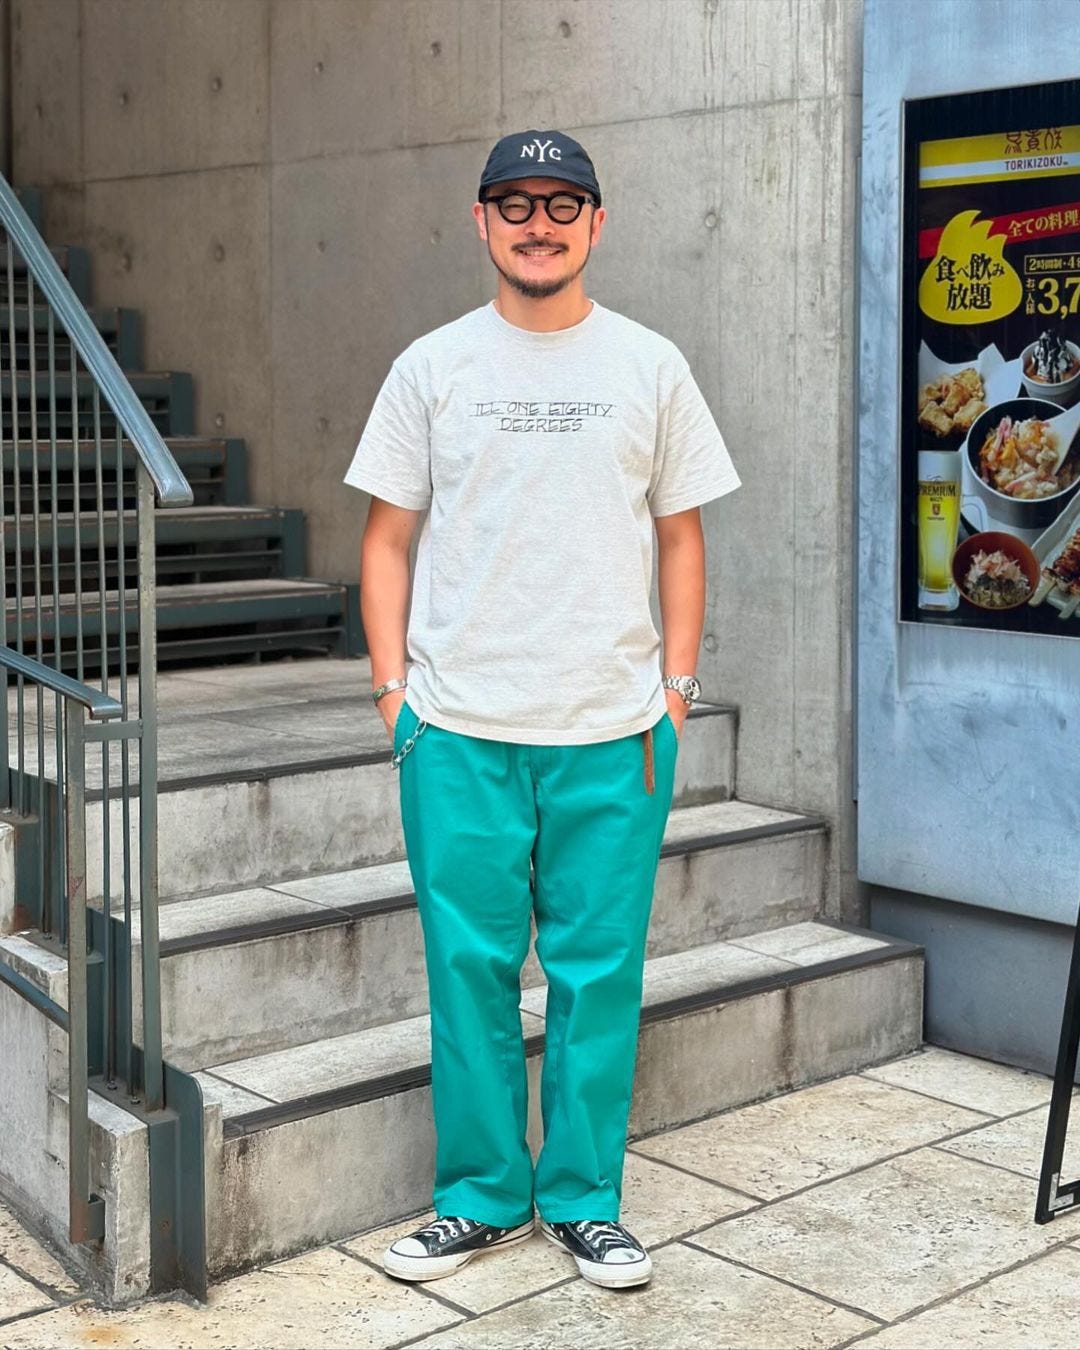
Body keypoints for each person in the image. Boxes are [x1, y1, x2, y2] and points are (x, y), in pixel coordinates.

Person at [344, 129, 739, 1290]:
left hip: (612, 731)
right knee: (466, 972)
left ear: (597, 224)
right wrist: (392, 698)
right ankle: (476, 1198)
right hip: (458, 730)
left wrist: (674, 693)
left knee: (597, 976)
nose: (538, 221)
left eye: (563, 202)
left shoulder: (650, 366)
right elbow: (386, 539)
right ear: (480, 222)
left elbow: (681, 536)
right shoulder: (432, 367)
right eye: (513, 201)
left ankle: (582, 1199)